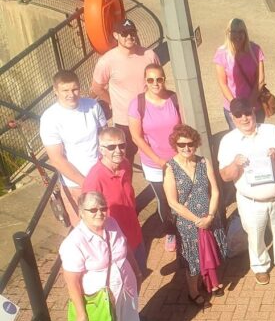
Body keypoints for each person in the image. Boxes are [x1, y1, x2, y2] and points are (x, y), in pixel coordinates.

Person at [59, 192, 150, 321]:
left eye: (102, 208)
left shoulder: (112, 223)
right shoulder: (74, 242)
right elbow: (72, 281)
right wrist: (81, 312)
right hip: (100, 297)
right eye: (92, 209)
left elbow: (125, 249)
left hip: (126, 286)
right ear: (81, 212)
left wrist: (137, 272)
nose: (99, 213)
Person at [82, 127, 160, 321]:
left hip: (134, 235)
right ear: (101, 149)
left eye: (122, 145)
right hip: (114, 243)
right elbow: (90, 219)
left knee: (138, 276)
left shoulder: (125, 165)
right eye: (111, 146)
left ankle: (133, 316)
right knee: (120, 285)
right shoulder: (94, 179)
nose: (118, 150)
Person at [218, 98, 275, 284]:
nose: (244, 118)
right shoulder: (229, 141)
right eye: (238, 115)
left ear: (254, 112)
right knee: (255, 236)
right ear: (232, 117)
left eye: (247, 113)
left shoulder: (272, 131)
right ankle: (260, 265)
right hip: (251, 201)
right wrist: (235, 164)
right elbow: (225, 176)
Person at [164, 124, 228, 306]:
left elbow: (215, 191)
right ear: (175, 145)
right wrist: (198, 221)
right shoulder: (170, 168)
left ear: (196, 143)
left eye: (190, 144)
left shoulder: (204, 162)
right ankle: (193, 292)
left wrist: (210, 216)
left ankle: (210, 281)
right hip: (188, 223)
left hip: (208, 217)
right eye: (181, 145)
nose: (186, 148)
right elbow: (173, 202)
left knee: (210, 252)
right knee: (193, 260)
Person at [40, 70, 107, 226]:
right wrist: (85, 183)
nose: (71, 94)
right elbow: (57, 159)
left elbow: (104, 134)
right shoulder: (50, 118)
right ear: (55, 91)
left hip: (101, 174)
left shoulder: (92, 105)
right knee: (84, 227)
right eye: (65, 90)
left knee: (108, 221)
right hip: (76, 183)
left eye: (75, 89)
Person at [128, 64, 180, 253]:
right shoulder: (137, 104)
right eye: (150, 80)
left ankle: (185, 227)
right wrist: (158, 160)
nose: (155, 83)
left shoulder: (174, 98)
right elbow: (136, 137)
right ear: (145, 82)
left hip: (177, 160)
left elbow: (183, 128)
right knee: (164, 199)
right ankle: (170, 231)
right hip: (154, 163)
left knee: (182, 195)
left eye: (159, 79)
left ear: (164, 79)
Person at [91, 18, 160, 160]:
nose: (129, 36)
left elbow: (159, 81)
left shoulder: (149, 55)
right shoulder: (107, 61)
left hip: (150, 117)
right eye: (124, 33)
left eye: (132, 32)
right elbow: (97, 88)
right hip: (124, 121)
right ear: (116, 35)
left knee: (156, 155)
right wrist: (111, 101)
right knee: (125, 161)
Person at [214, 18, 267, 129]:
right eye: (234, 32)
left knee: (257, 137)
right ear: (228, 33)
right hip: (233, 109)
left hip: (254, 106)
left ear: (245, 33)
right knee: (239, 140)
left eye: (241, 32)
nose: (237, 36)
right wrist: (236, 105)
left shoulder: (255, 50)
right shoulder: (222, 54)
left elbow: (260, 80)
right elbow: (222, 83)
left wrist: (248, 105)